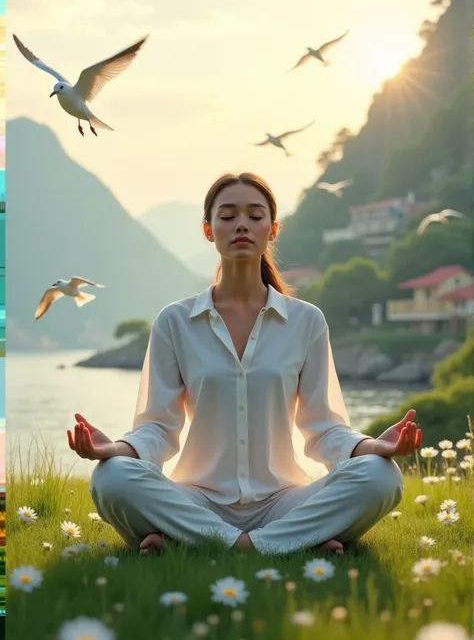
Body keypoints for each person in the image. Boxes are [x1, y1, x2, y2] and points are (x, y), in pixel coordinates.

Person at [67, 172, 422, 557]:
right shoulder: (174, 321)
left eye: (255, 216)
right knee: (112, 478)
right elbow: (158, 428)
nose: (241, 225)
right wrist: (116, 449)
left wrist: (372, 445)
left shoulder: (306, 321)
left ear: (272, 230)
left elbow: (325, 429)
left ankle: (200, 543)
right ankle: (290, 543)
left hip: (284, 502)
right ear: (208, 229)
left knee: (381, 475)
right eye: (227, 215)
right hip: (196, 500)